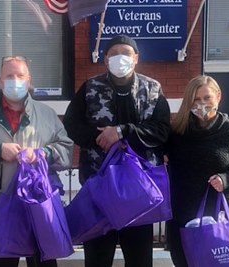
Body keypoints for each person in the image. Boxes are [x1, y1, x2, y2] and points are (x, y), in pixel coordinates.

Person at [63, 35, 171, 267]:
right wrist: (100, 138)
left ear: (136, 58)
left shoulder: (152, 89)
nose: (120, 58)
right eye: (114, 53)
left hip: (140, 188)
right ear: (105, 59)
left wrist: (121, 132)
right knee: (98, 258)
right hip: (100, 185)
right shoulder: (90, 88)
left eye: (126, 53)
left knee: (139, 258)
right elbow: (72, 124)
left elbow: (161, 130)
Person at [0, 55, 73, 267]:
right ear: (0, 80)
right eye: (9, 75)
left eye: (20, 75)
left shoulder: (47, 114)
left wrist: (42, 154)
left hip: (37, 206)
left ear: (29, 80)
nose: (15, 80)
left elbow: (66, 148)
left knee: (43, 263)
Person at [165, 75, 229, 267]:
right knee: (185, 261)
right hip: (183, 211)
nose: (202, 104)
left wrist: (228, 178)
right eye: (196, 99)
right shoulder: (176, 132)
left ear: (218, 96)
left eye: (207, 98)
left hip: (222, 212)